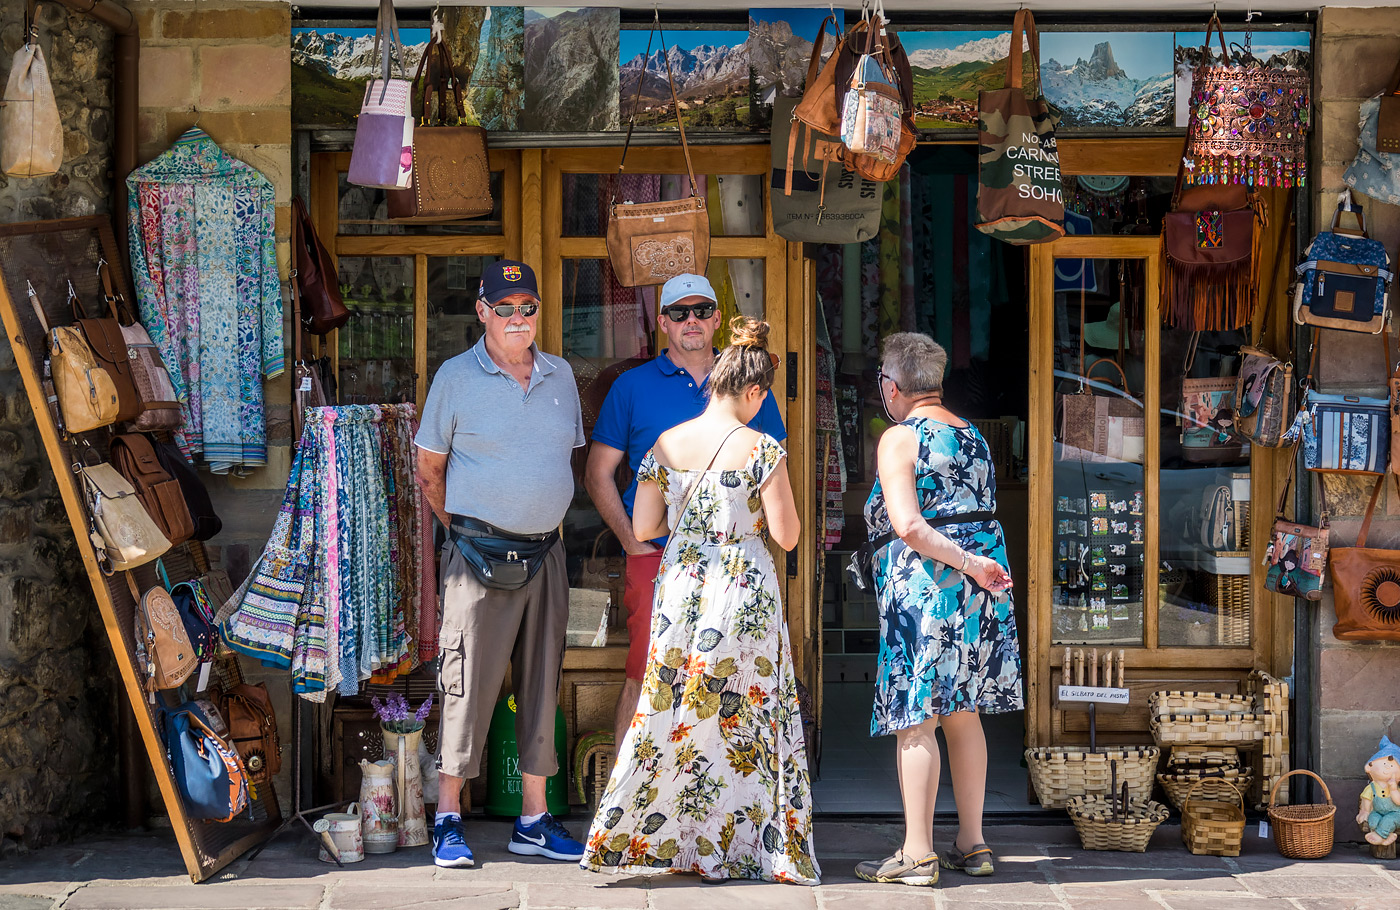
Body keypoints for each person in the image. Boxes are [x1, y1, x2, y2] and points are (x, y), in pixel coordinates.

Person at [580, 318, 819, 885]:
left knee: (675, 710)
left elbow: (644, 525)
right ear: (754, 391)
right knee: (745, 716)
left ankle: (658, 837)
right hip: (743, 591)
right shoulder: (762, 448)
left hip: (682, 588)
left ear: (714, 382)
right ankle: (744, 845)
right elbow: (787, 536)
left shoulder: (666, 443)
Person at [415, 259, 587, 869]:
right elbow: (429, 471)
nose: (518, 318)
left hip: (546, 552)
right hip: (475, 554)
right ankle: (448, 818)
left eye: (528, 307)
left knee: (542, 685)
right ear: (483, 312)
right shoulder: (455, 376)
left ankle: (533, 821)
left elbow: (562, 459)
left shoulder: (561, 375)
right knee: (466, 684)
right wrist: (466, 532)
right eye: (505, 308)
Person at [586, 273, 785, 751]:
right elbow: (597, 474)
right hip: (656, 555)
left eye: (701, 310)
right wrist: (632, 540)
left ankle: (715, 795)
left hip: (733, 562)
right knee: (645, 674)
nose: (691, 320)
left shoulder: (748, 384)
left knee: (732, 679)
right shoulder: (632, 387)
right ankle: (628, 797)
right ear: (662, 323)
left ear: (717, 319)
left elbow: (774, 470)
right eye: (679, 312)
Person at [855, 332, 1022, 886]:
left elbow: (908, 525)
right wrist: (976, 566)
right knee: (964, 714)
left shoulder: (900, 437)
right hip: (979, 592)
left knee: (917, 721)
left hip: (929, 589)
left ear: (891, 386)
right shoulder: (973, 435)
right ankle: (973, 844)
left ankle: (917, 853)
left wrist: (966, 563)